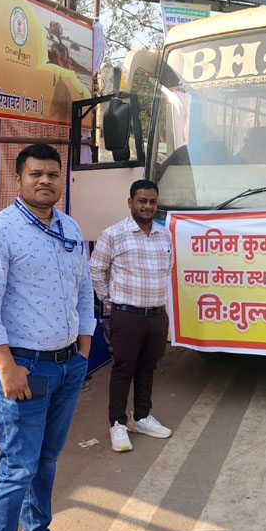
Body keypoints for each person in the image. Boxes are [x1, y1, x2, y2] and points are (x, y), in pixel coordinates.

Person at [0, 143, 95, 531]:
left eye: (53, 174)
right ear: (18, 179)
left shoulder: (70, 228)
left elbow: (84, 290)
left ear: (61, 180)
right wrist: (6, 367)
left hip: (68, 365)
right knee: (16, 468)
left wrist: (83, 350)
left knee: (46, 459)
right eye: (35, 174)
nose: (45, 181)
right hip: (26, 368)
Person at [90, 180, 173, 453]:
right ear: (130, 202)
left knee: (148, 367)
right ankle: (117, 423)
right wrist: (111, 301)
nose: (147, 206)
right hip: (127, 316)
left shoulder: (164, 235)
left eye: (152, 202)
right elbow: (96, 270)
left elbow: (167, 269)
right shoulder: (113, 235)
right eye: (142, 201)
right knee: (123, 369)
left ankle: (142, 417)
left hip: (157, 315)